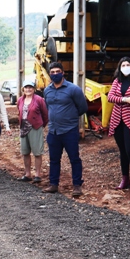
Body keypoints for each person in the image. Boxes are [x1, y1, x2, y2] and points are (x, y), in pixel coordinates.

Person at [42, 62, 88, 197]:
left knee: (74, 158)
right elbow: (47, 106)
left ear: (63, 72)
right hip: (53, 131)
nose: (55, 74)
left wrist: (70, 118)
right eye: (52, 72)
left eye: (58, 71)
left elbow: (83, 108)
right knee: (54, 159)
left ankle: (77, 185)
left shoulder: (73, 89)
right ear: (50, 74)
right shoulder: (47, 90)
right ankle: (53, 184)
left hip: (69, 130)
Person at [107, 56, 130, 194]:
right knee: (122, 151)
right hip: (117, 119)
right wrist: (125, 99)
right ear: (119, 68)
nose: (125, 67)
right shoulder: (117, 81)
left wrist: (124, 100)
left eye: (128, 64)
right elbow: (110, 97)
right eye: (123, 65)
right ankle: (125, 179)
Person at [16, 80, 48, 183]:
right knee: (25, 152)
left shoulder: (39, 99)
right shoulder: (20, 100)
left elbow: (45, 114)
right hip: (23, 127)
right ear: (23, 89)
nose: (28, 89)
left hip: (35, 127)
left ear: (34, 89)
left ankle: (38, 175)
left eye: (30, 87)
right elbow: (19, 112)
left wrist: (41, 125)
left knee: (37, 152)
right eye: (26, 87)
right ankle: (28, 174)